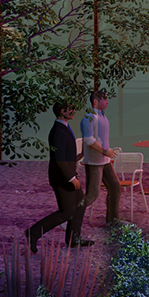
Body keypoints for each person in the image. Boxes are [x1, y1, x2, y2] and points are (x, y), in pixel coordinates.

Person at [25, 102, 90, 250]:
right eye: (71, 109)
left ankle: (75, 239)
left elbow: (65, 155)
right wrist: (71, 178)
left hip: (69, 175)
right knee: (67, 212)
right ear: (62, 111)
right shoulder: (57, 131)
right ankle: (34, 232)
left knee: (80, 204)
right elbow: (59, 158)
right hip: (62, 178)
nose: (74, 111)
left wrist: (78, 157)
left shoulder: (64, 128)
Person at [78, 90, 120, 227]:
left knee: (114, 187)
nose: (107, 102)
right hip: (95, 162)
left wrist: (105, 153)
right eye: (104, 99)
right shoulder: (89, 118)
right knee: (92, 194)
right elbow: (88, 139)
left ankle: (113, 220)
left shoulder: (103, 117)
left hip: (105, 161)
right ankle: (69, 216)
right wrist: (104, 151)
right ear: (95, 101)